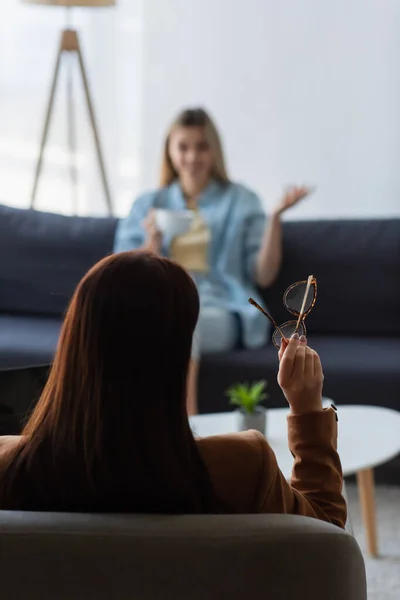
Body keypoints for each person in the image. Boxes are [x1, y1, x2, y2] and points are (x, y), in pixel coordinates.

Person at [0, 251, 345, 528]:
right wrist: (306, 409)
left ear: (74, 342)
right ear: (177, 355)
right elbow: (325, 540)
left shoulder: (10, 467)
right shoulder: (243, 467)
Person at [114, 108, 313, 415]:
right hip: (160, 304)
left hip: (221, 310)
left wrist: (274, 218)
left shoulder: (241, 200)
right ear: (169, 151)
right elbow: (119, 277)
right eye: (183, 147)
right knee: (154, 321)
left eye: (201, 147)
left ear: (214, 151)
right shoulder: (148, 205)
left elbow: (264, 275)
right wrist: (150, 247)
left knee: (182, 320)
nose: (192, 157)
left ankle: (185, 431)